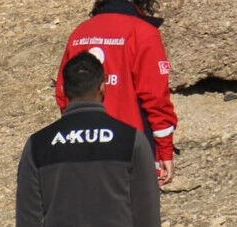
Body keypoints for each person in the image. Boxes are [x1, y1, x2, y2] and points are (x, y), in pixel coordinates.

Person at [55, 0, 177, 185]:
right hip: (131, 149)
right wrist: (165, 151)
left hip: (83, 149)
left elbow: (63, 92)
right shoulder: (143, 33)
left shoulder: (80, 32)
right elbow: (155, 97)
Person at [19, 52, 160, 227]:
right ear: (102, 87)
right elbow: (147, 210)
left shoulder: (38, 144)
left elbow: (27, 217)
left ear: (63, 90)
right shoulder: (131, 140)